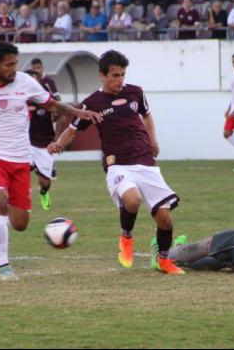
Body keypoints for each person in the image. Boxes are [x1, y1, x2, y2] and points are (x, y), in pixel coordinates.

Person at [0, 42, 102, 281]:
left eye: (15, 64)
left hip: (20, 158)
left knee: (20, 223)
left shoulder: (25, 82)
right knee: (2, 200)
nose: (14, 69)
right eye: (9, 65)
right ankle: (4, 267)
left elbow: (51, 104)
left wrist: (76, 112)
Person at [48, 50, 185, 275]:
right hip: (117, 163)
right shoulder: (92, 103)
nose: (120, 80)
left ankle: (163, 260)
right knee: (132, 200)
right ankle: (126, 237)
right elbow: (72, 130)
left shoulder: (136, 93)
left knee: (165, 218)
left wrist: (153, 140)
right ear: (102, 75)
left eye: (122, 74)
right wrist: (58, 144)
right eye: (115, 75)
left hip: (145, 161)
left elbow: (147, 115)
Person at [25, 69, 66, 211]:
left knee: (45, 182)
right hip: (25, 144)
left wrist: (57, 138)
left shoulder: (45, 100)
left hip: (44, 145)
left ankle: (43, 193)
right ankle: (24, 200)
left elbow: (61, 114)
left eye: (35, 80)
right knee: (22, 173)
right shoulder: (19, 99)